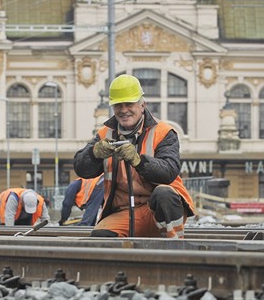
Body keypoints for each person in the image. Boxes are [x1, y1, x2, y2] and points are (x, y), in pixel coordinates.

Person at [73, 74, 195, 238]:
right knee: (101, 237)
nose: (123, 110)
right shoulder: (105, 134)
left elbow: (168, 172)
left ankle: (176, 248)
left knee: (164, 193)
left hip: (159, 208)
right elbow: (80, 168)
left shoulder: (163, 132)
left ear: (142, 105)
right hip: (126, 212)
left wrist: (138, 160)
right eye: (118, 105)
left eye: (129, 104)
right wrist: (94, 153)